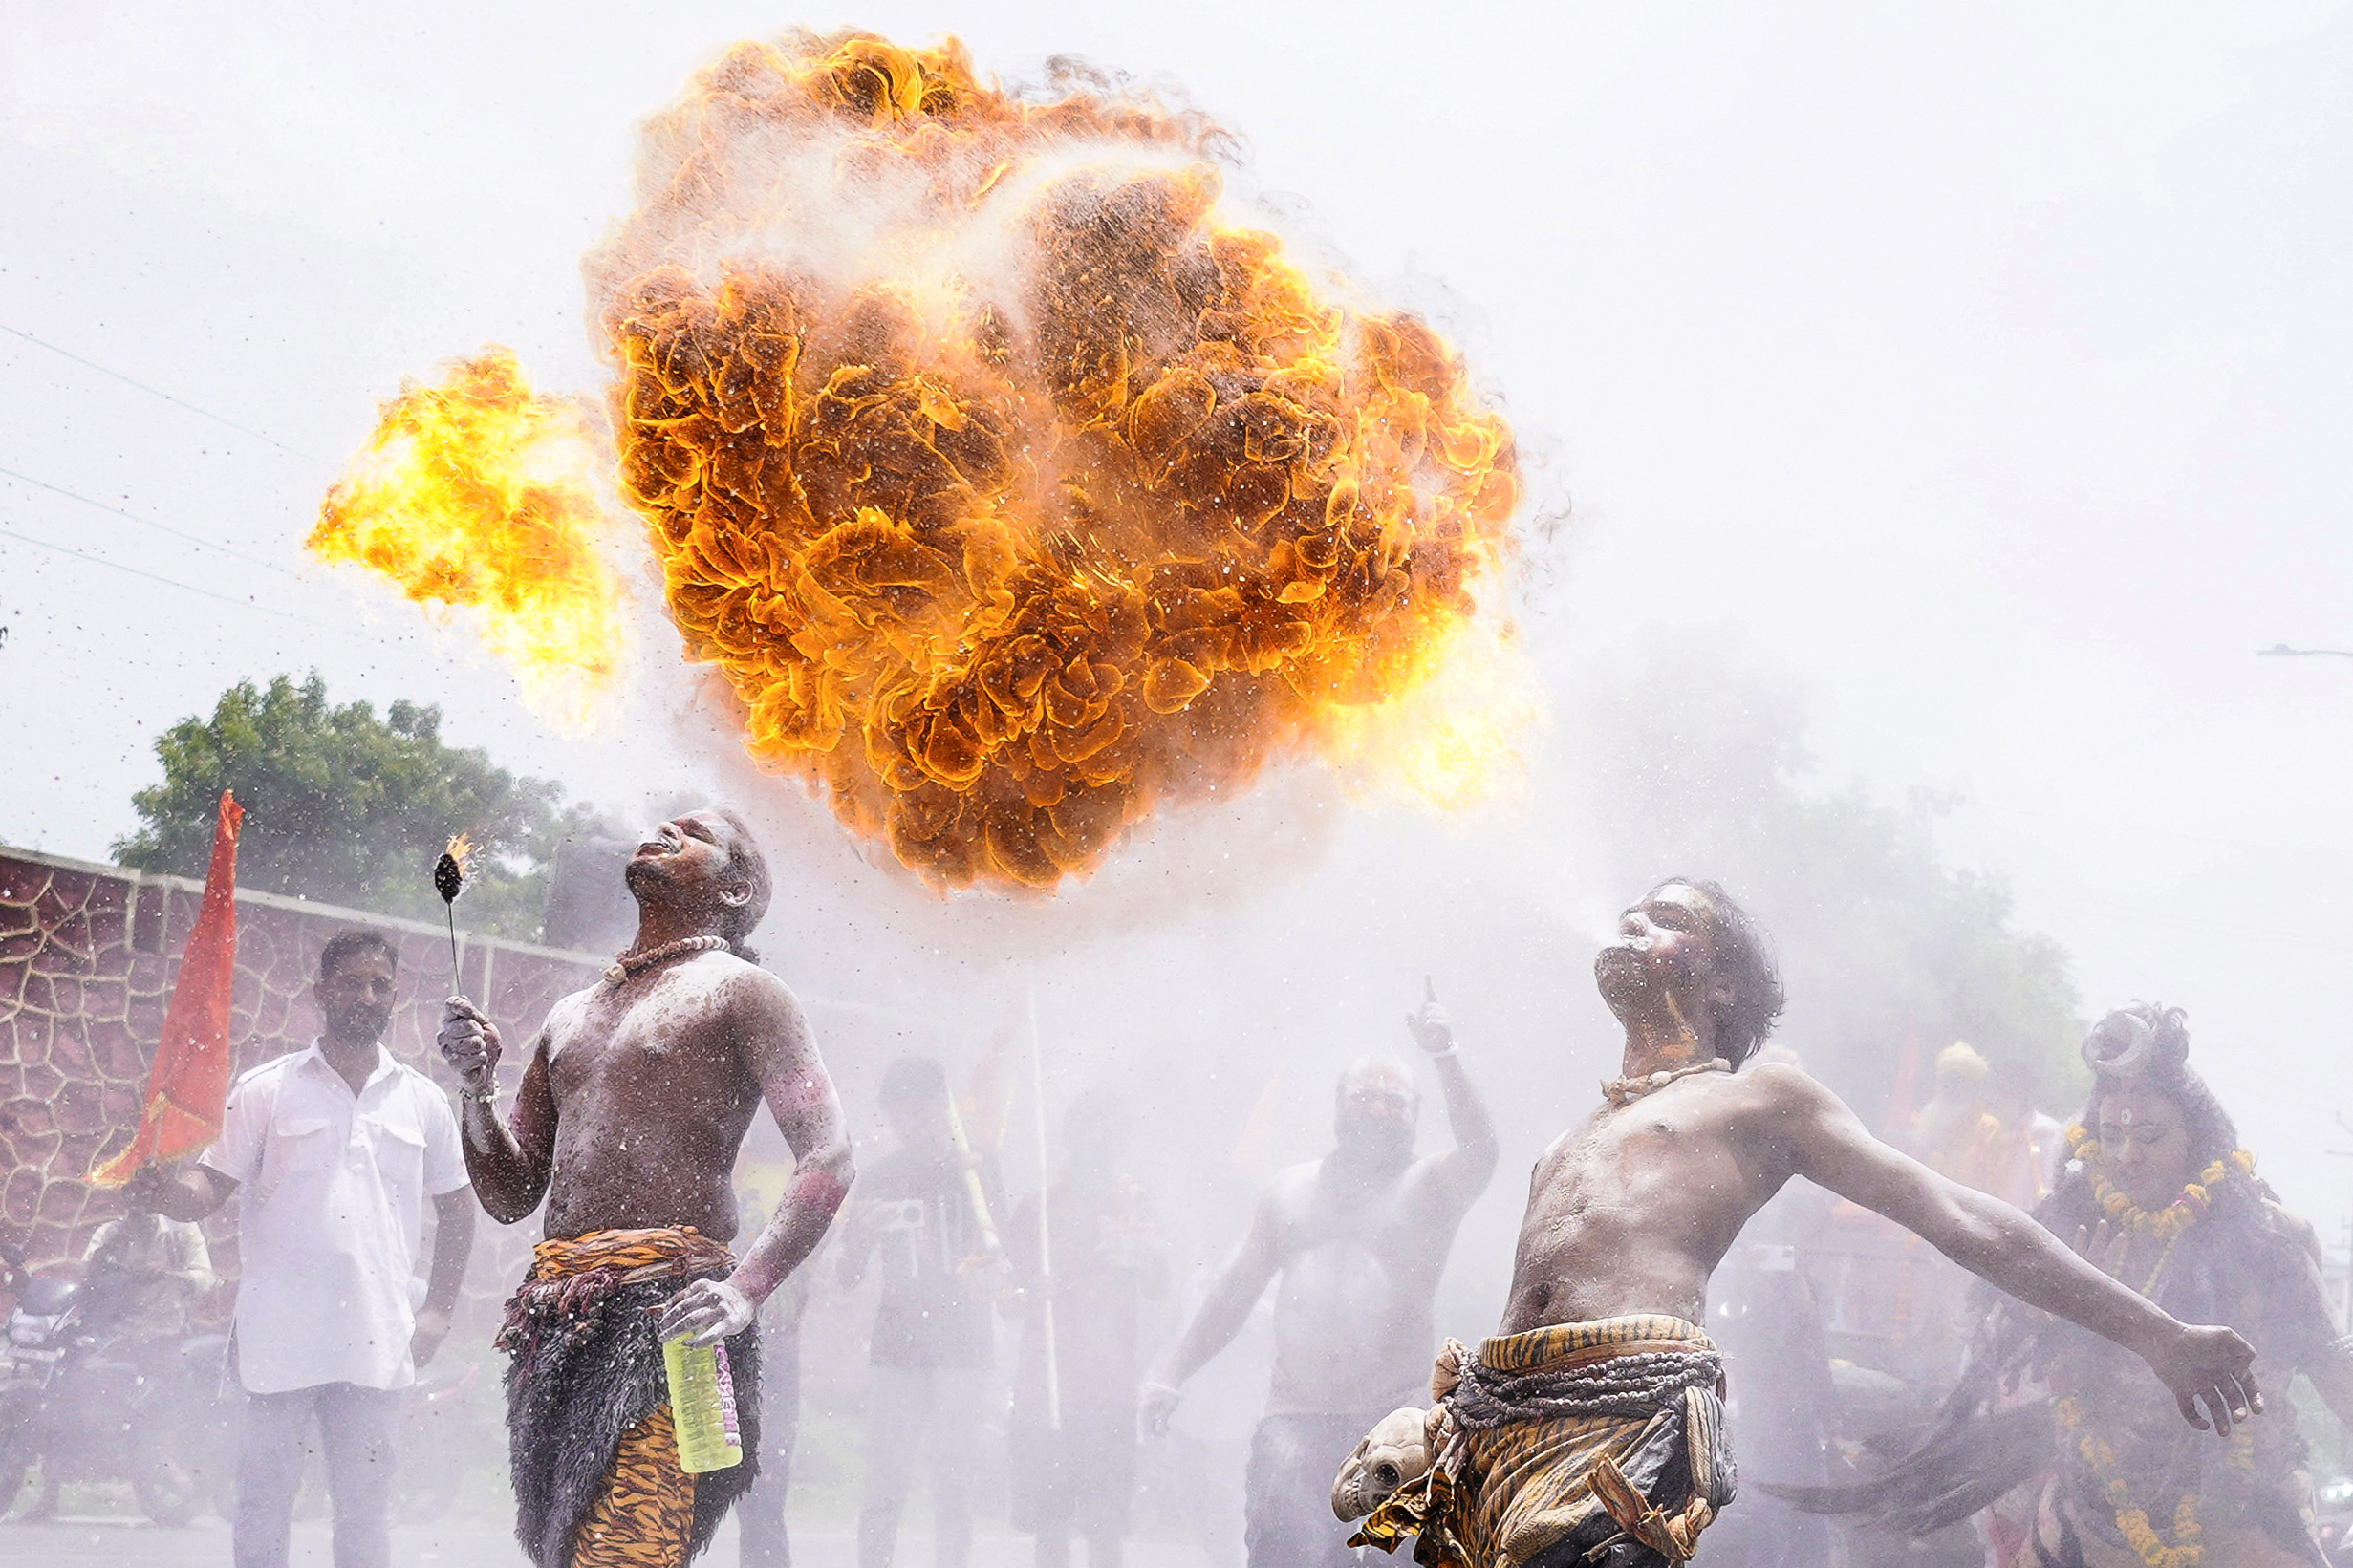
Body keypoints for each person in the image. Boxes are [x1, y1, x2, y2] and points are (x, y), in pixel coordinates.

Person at [1337, 879, 2261, 1568]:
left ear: (1723, 983)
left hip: (1621, 1422)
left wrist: (2157, 1333)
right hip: (1501, 1425)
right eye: (1631, 911)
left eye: (1669, 919)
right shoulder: (1569, 1138)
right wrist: (1452, 1421)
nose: (1634, 921)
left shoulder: (1758, 1095)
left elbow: (1961, 1217)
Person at [1788, 1002, 2353, 1567]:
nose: (2128, 1155)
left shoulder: (2264, 1238)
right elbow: (2017, 1371)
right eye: (2112, 1136)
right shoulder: (2065, 1232)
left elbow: (2334, 1368)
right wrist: (2061, 1315)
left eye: (2151, 1136)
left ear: (2197, 1140)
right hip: (2094, 1520)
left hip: (2245, 1521)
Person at [437, 808, 853, 1568]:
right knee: (563, 1550)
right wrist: (474, 1090)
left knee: (629, 1548)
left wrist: (746, 1289)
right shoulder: (570, 1014)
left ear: (735, 890)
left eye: (695, 831)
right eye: (665, 820)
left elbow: (829, 1153)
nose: (665, 826)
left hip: (675, 1314)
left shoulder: (743, 991)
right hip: (556, 1320)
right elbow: (509, 1194)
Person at [131, 926, 476, 1568]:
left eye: (380, 984)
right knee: (262, 1496)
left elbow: (458, 1208)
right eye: (352, 982)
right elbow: (207, 1188)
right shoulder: (267, 1088)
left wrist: (439, 1310)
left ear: (394, 995)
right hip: (278, 1340)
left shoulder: (421, 1101)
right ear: (321, 991)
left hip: (375, 1340)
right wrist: (162, 1191)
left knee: (364, 1508)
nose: (366, 995)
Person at [1143, 984, 1499, 1568]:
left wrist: (1446, 1056)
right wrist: (1170, 1372)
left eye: (1394, 1101)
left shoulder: (1430, 1189)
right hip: (1294, 1419)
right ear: (1338, 1109)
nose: (1379, 1108)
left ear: (1414, 1118)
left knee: (1387, 1562)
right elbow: (1233, 1293)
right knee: (1284, 1556)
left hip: (1394, 1424)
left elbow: (1483, 1148)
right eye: (1365, 1096)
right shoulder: (1290, 1192)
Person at [834, 1055, 1004, 1568]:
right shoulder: (881, 1176)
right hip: (897, 1347)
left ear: (943, 1108)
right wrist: (861, 1238)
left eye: (923, 1111)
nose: (912, 1124)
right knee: (885, 1484)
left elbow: (1003, 1249)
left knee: (954, 1485)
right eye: (900, 1114)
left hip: (965, 1346)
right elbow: (848, 1276)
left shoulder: (976, 1169)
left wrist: (978, 1181)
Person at [1006, 1089, 1169, 1568]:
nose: (1099, 1142)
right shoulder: (1039, 1207)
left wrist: (1145, 1253)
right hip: (1048, 1387)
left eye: (1110, 1132)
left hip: (1111, 1388)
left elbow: (1160, 1286)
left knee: (1105, 1525)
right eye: (1089, 1130)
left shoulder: (1135, 1206)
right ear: (1068, 1138)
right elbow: (1005, 1293)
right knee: (1050, 1524)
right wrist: (1031, 1289)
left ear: (1121, 1142)